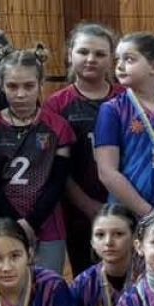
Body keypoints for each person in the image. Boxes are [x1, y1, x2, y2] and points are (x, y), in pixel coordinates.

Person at [0, 47, 74, 273]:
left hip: (47, 222)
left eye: (29, 86)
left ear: (41, 84)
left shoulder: (58, 126)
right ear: (1, 85)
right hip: (2, 221)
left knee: (47, 285)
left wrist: (31, 222)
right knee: (7, 283)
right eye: (12, 86)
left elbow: (58, 182)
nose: (20, 94)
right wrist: (15, 223)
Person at [94, 32, 154, 221]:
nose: (119, 66)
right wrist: (149, 213)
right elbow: (106, 172)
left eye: (129, 59)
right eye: (118, 59)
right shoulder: (112, 110)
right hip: (125, 218)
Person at [45, 23, 117, 274]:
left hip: (122, 205)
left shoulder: (126, 98)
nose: (91, 59)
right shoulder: (55, 105)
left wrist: (120, 202)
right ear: (69, 55)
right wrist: (86, 204)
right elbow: (55, 167)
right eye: (83, 52)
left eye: (100, 54)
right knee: (87, 277)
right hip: (77, 211)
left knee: (126, 278)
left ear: (111, 59)